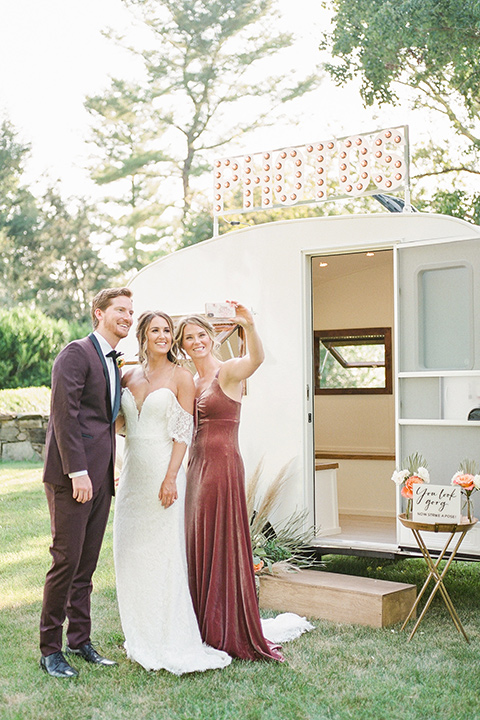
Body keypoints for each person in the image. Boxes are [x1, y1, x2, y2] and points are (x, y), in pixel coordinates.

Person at [113, 310, 231, 674]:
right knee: (129, 555)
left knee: (163, 557)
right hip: (132, 476)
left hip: (164, 474)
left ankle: (168, 636)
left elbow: (184, 432)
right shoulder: (127, 375)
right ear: (143, 337)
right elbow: (120, 425)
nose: (163, 336)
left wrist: (169, 477)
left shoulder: (182, 377)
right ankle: (140, 634)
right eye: (155, 331)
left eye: (167, 331)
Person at [176, 304, 284, 662]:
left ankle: (225, 625)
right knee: (199, 538)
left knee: (221, 539)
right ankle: (202, 622)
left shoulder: (228, 373)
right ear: (184, 345)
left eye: (201, 335)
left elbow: (256, 359)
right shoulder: (190, 382)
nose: (196, 342)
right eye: (189, 338)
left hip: (222, 466)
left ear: (211, 338)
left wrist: (249, 326)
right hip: (196, 467)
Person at [40, 287, 134, 678]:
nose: (127, 316)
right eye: (119, 310)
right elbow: (65, 415)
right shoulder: (76, 353)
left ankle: (80, 640)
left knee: (86, 565)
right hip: (72, 477)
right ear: (98, 313)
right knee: (65, 561)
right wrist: (77, 471)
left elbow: (104, 420)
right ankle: (50, 649)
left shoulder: (112, 361)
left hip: (101, 478)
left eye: (131, 311)